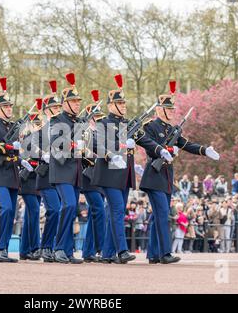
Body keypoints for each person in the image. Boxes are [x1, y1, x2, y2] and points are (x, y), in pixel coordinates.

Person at [137, 81, 220, 264]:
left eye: (172, 109)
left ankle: (153, 254)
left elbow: (186, 144)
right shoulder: (150, 126)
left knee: (157, 217)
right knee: (162, 214)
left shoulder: (172, 129)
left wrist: (205, 150)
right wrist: (165, 149)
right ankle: (165, 253)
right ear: (159, 110)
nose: (172, 111)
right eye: (168, 108)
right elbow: (148, 146)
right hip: (153, 176)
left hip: (166, 177)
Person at [92, 74, 137, 264]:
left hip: (124, 175)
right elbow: (95, 144)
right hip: (109, 175)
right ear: (111, 106)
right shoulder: (103, 124)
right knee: (118, 210)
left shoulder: (128, 124)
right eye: (120, 103)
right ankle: (122, 251)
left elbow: (147, 141)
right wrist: (120, 145)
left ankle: (108, 253)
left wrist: (159, 149)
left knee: (115, 213)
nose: (123, 106)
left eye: (124, 103)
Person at [0, 78, 28, 263]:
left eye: (10, 106)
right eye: (6, 106)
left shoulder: (15, 127)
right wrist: (11, 147)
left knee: (11, 214)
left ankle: (2, 248)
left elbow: (20, 148)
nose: (10, 109)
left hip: (12, 173)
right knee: (5, 208)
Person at [49, 73, 84, 264]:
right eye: (73, 101)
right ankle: (59, 248)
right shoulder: (56, 120)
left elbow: (88, 142)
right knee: (69, 205)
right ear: (65, 103)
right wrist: (73, 143)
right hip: (62, 169)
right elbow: (55, 141)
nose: (77, 104)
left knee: (72, 209)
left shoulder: (79, 121)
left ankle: (68, 250)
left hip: (76, 171)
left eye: (78, 101)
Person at [34, 81, 63, 262]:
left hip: (60, 175)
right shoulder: (41, 131)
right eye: (54, 107)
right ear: (46, 111)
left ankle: (54, 246)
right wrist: (42, 154)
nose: (57, 110)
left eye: (59, 107)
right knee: (54, 210)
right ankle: (46, 246)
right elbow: (31, 148)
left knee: (61, 211)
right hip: (46, 176)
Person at [79, 95, 106, 263]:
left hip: (99, 175)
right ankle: (100, 248)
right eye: (97, 117)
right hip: (88, 176)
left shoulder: (100, 133)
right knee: (99, 210)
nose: (99, 119)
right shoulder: (85, 131)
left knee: (94, 214)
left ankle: (88, 251)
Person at [18, 106, 42, 261]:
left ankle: (24, 249)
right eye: (37, 124)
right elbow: (28, 158)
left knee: (30, 215)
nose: (39, 127)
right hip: (28, 180)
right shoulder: (27, 139)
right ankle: (34, 247)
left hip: (37, 180)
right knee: (33, 213)